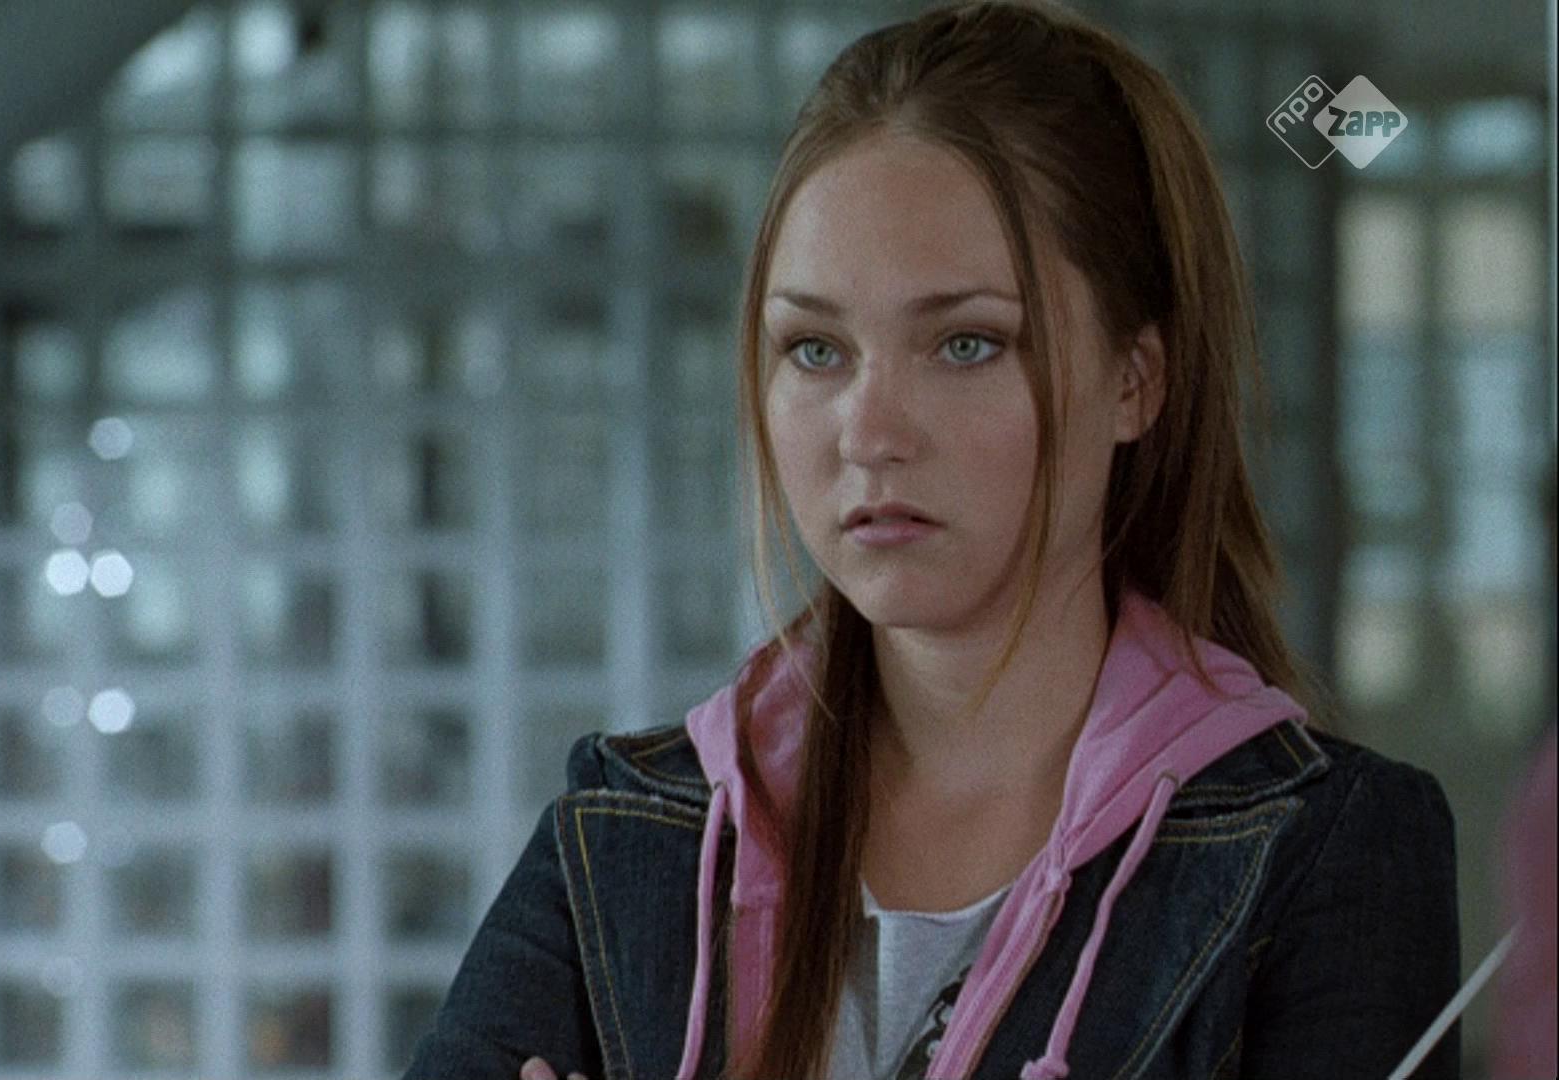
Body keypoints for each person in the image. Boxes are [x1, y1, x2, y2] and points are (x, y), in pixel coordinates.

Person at [401, 2, 1462, 1077]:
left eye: (966, 344)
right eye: (815, 350)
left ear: (1136, 381)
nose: (869, 433)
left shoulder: (1320, 852)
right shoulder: (633, 831)